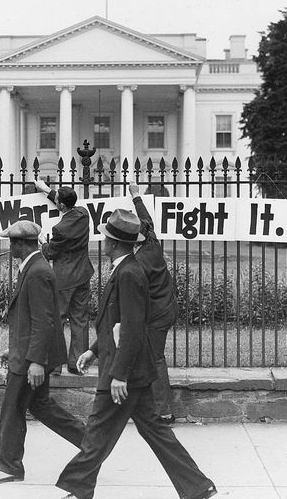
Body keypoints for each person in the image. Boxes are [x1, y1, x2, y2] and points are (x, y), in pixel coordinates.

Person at [55, 210, 216, 499]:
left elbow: (131, 327)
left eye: (105, 236)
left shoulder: (129, 273)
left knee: (98, 429)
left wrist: (119, 375)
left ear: (113, 243)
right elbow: (116, 324)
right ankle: (198, 486)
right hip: (133, 369)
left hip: (123, 371)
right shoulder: (125, 268)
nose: (102, 241)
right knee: (153, 430)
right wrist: (93, 350)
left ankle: (76, 486)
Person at [0, 220, 86, 484]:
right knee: (41, 406)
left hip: (31, 360)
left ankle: (9, 467)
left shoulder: (37, 271)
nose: (10, 246)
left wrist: (36, 361)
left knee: (12, 409)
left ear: (21, 244)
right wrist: (14, 348)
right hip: (28, 353)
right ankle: (93, 444)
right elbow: (33, 319)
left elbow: (44, 320)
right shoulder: (32, 268)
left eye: (12, 242)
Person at [129, 183, 177, 426]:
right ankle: (148, 405)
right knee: (147, 356)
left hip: (158, 314)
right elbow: (146, 219)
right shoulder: (151, 241)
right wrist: (136, 196)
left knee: (155, 357)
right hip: (164, 308)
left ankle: (163, 411)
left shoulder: (140, 261)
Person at [34, 179, 94, 375]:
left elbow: (50, 253)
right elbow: (65, 204)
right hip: (83, 274)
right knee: (80, 320)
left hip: (64, 279)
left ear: (60, 205)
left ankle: (55, 365)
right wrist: (46, 190)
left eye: (57, 200)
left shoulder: (60, 229)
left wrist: (42, 241)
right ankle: (77, 363)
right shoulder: (83, 214)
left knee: (57, 319)